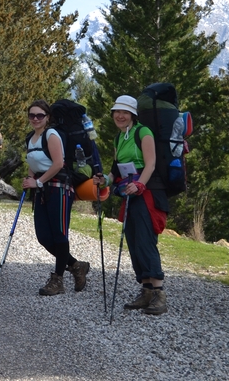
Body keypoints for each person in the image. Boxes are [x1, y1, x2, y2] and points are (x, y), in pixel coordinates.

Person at [93, 95, 169, 315]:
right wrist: (104, 181)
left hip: (146, 193)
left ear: (133, 115)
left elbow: (151, 163)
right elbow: (116, 169)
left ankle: (159, 294)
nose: (120, 115)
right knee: (133, 240)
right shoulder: (119, 138)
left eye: (124, 112)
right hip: (130, 193)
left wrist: (140, 185)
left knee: (145, 240)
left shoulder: (143, 132)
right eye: (117, 111)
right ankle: (146, 291)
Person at [21, 100, 91, 295]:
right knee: (43, 237)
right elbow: (33, 162)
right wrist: (29, 179)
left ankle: (58, 280)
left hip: (59, 188)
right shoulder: (30, 138)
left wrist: (38, 182)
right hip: (42, 190)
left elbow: (58, 163)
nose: (35, 119)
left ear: (48, 117)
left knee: (59, 235)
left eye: (40, 115)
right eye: (32, 115)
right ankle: (77, 266)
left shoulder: (51, 135)